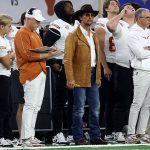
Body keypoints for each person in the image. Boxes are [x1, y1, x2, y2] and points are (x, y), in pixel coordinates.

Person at [14, 7, 60, 147]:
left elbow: (34, 53)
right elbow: (26, 55)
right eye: (36, 21)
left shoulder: (34, 33)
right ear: (27, 19)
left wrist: (48, 50)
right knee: (30, 106)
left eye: (39, 21)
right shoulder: (22, 33)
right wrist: (49, 54)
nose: (38, 23)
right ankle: (25, 138)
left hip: (40, 71)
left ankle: (30, 136)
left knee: (35, 106)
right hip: (30, 72)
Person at [64, 4, 107, 145]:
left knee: (95, 108)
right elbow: (68, 59)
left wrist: (99, 76)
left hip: (93, 74)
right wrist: (70, 78)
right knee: (79, 109)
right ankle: (78, 137)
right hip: (78, 76)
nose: (90, 17)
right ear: (80, 17)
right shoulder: (72, 35)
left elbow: (97, 58)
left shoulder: (94, 35)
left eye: (92, 15)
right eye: (87, 15)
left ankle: (95, 136)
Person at [44, 0, 79, 145]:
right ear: (59, 10)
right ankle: (58, 133)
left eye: (71, 5)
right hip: (62, 65)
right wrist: (52, 62)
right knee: (60, 101)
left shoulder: (77, 23)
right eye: (67, 6)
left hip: (77, 66)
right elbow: (45, 46)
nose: (71, 8)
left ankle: (71, 133)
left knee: (75, 102)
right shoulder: (56, 24)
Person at [106, 3, 135, 142]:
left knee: (136, 102)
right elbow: (110, 26)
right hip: (123, 67)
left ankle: (132, 131)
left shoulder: (139, 28)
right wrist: (121, 13)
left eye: (132, 8)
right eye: (127, 7)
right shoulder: (121, 25)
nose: (130, 8)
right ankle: (116, 131)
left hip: (139, 68)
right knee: (121, 101)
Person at [95, 0, 120, 141]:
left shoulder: (122, 22)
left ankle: (113, 130)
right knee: (104, 100)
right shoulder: (102, 21)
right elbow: (99, 46)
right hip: (108, 63)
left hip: (121, 64)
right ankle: (99, 131)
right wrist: (105, 66)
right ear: (105, 8)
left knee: (118, 100)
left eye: (116, 3)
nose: (115, 5)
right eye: (112, 3)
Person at [126, 8, 150, 144]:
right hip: (140, 71)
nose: (149, 20)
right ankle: (131, 133)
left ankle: (141, 133)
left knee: (148, 105)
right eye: (147, 18)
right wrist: (145, 49)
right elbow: (140, 54)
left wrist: (146, 48)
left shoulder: (148, 31)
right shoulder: (132, 33)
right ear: (139, 18)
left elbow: (144, 51)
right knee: (137, 103)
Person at [0, 14, 15, 147]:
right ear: (1, 26)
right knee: (2, 109)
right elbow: (7, 63)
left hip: (6, 76)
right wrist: (11, 56)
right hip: (1, 76)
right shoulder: (0, 41)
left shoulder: (4, 40)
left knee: (8, 108)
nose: (11, 28)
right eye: (9, 26)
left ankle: (7, 136)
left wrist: (10, 57)